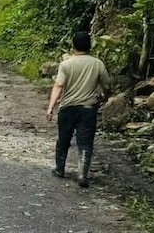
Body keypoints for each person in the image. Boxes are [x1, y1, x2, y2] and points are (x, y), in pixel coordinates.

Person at [46, 31, 111, 187]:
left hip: (68, 107)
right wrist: (104, 96)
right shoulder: (98, 64)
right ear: (90, 46)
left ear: (73, 46)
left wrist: (50, 107)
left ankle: (60, 169)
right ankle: (82, 174)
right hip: (88, 109)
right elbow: (107, 85)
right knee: (85, 142)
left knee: (63, 139)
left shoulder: (66, 64)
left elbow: (59, 86)